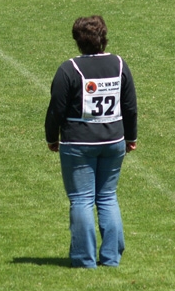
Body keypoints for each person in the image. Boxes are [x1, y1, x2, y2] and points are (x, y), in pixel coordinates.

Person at [44, 15, 137, 268]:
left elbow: (56, 110)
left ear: (77, 40)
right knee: (108, 197)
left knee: (82, 199)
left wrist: (52, 138)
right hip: (113, 141)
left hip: (78, 144)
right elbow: (129, 107)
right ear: (104, 38)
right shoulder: (119, 64)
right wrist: (131, 137)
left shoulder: (69, 69)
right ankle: (111, 258)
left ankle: (84, 260)